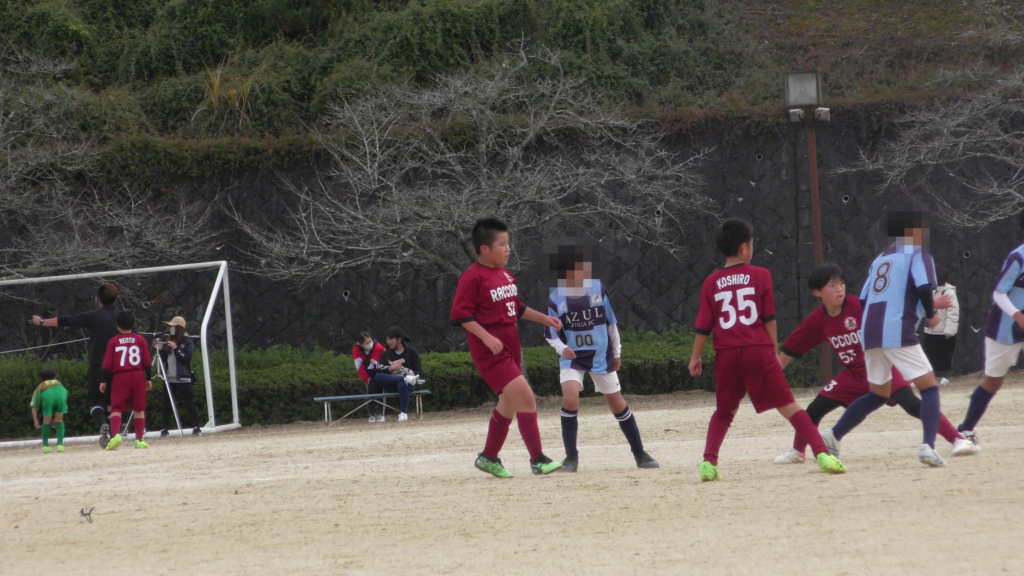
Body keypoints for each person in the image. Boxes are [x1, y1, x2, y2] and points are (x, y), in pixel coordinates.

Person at [688, 218, 846, 481]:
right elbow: (768, 318)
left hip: (726, 354)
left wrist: (695, 357)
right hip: (756, 349)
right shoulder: (761, 275)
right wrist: (773, 350)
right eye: (751, 244)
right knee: (789, 406)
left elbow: (703, 325)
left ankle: (708, 463)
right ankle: (822, 454)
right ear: (744, 248)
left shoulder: (711, 282)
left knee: (724, 412)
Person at [773, 263, 975, 465]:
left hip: (882, 365)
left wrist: (931, 303)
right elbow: (793, 346)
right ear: (816, 292)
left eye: (841, 283)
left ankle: (958, 439)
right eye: (832, 285)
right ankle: (798, 451)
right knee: (814, 409)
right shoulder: (818, 320)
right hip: (853, 374)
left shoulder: (859, 305)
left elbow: (895, 305)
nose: (840, 289)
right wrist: (773, 372)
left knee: (912, 404)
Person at [819, 205, 953, 467]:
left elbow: (864, 298)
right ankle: (928, 446)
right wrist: (930, 314)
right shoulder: (918, 252)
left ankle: (833, 435)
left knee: (879, 394)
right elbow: (924, 286)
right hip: (897, 329)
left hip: (870, 332)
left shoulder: (880, 258)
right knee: (929, 387)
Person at [450, 217, 563, 478]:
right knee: (526, 397)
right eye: (502, 244)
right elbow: (461, 315)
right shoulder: (472, 277)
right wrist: (486, 337)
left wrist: (544, 319)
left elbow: (517, 308)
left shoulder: (505, 274)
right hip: (490, 348)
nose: (508, 248)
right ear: (484, 249)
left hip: (510, 341)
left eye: (508, 243)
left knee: (508, 404)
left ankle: (489, 457)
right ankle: (537, 459)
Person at [545, 245, 659, 471]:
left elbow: (611, 324)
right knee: (570, 398)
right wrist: (562, 349)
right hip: (572, 358)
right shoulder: (555, 298)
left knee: (617, 403)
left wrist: (616, 352)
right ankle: (571, 458)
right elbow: (550, 335)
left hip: (600, 355)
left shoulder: (598, 289)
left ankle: (640, 454)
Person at [956, 210, 1024, 448]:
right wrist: (1017, 315)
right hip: (1004, 329)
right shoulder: (1018, 257)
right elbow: (998, 293)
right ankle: (965, 430)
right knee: (993, 382)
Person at [31, 282, 120, 448]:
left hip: (98, 365)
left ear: (99, 300)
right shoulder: (123, 317)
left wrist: (42, 321)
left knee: (96, 403)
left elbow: (68, 320)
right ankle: (114, 434)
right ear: (115, 299)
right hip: (119, 367)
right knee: (113, 404)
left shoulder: (94, 316)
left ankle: (103, 425)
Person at [99, 311, 153, 450]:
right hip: (138, 375)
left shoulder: (113, 341)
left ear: (117, 325)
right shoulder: (140, 339)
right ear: (133, 324)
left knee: (116, 408)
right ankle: (139, 440)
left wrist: (103, 380)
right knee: (139, 409)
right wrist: (148, 378)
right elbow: (147, 361)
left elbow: (106, 364)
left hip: (120, 376)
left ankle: (116, 436)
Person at [155, 316, 202, 437]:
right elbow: (164, 358)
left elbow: (186, 358)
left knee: (189, 403)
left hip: (183, 378)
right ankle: (165, 428)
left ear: (179, 328)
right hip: (169, 378)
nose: (170, 329)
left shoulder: (187, 342)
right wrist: (160, 349)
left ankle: (196, 427)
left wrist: (176, 348)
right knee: (167, 404)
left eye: (173, 327)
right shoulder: (169, 340)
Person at [373, 327, 423, 422]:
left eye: (391, 339)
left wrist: (411, 374)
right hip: (391, 382)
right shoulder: (385, 355)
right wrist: (391, 369)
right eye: (387, 339)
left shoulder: (412, 352)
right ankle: (403, 379)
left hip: (409, 383)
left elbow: (419, 372)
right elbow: (380, 369)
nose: (388, 342)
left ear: (399, 339)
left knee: (402, 384)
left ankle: (403, 413)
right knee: (378, 376)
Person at [921, 264, 959, 383]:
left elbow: (953, 313)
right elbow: (924, 310)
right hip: (930, 330)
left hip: (943, 331)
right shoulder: (931, 291)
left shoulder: (949, 292)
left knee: (944, 355)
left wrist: (949, 331)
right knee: (927, 355)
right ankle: (925, 377)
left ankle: (945, 377)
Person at [352, 330, 387, 423]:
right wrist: (367, 379)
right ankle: (371, 415)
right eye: (366, 343)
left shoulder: (378, 347)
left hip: (379, 372)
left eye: (370, 341)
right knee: (369, 391)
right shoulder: (356, 350)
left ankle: (381, 414)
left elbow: (384, 362)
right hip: (367, 374)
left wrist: (379, 375)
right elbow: (359, 366)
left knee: (380, 391)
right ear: (361, 344)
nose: (369, 344)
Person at [30, 369, 68, 454]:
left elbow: (33, 404)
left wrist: (35, 420)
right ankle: (59, 445)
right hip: (61, 393)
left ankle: (45, 446)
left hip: (47, 395)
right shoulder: (58, 383)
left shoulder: (41, 385)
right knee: (59, 420)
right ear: (54, 377)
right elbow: (64, 401)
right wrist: (56, 419)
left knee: (47, 420)